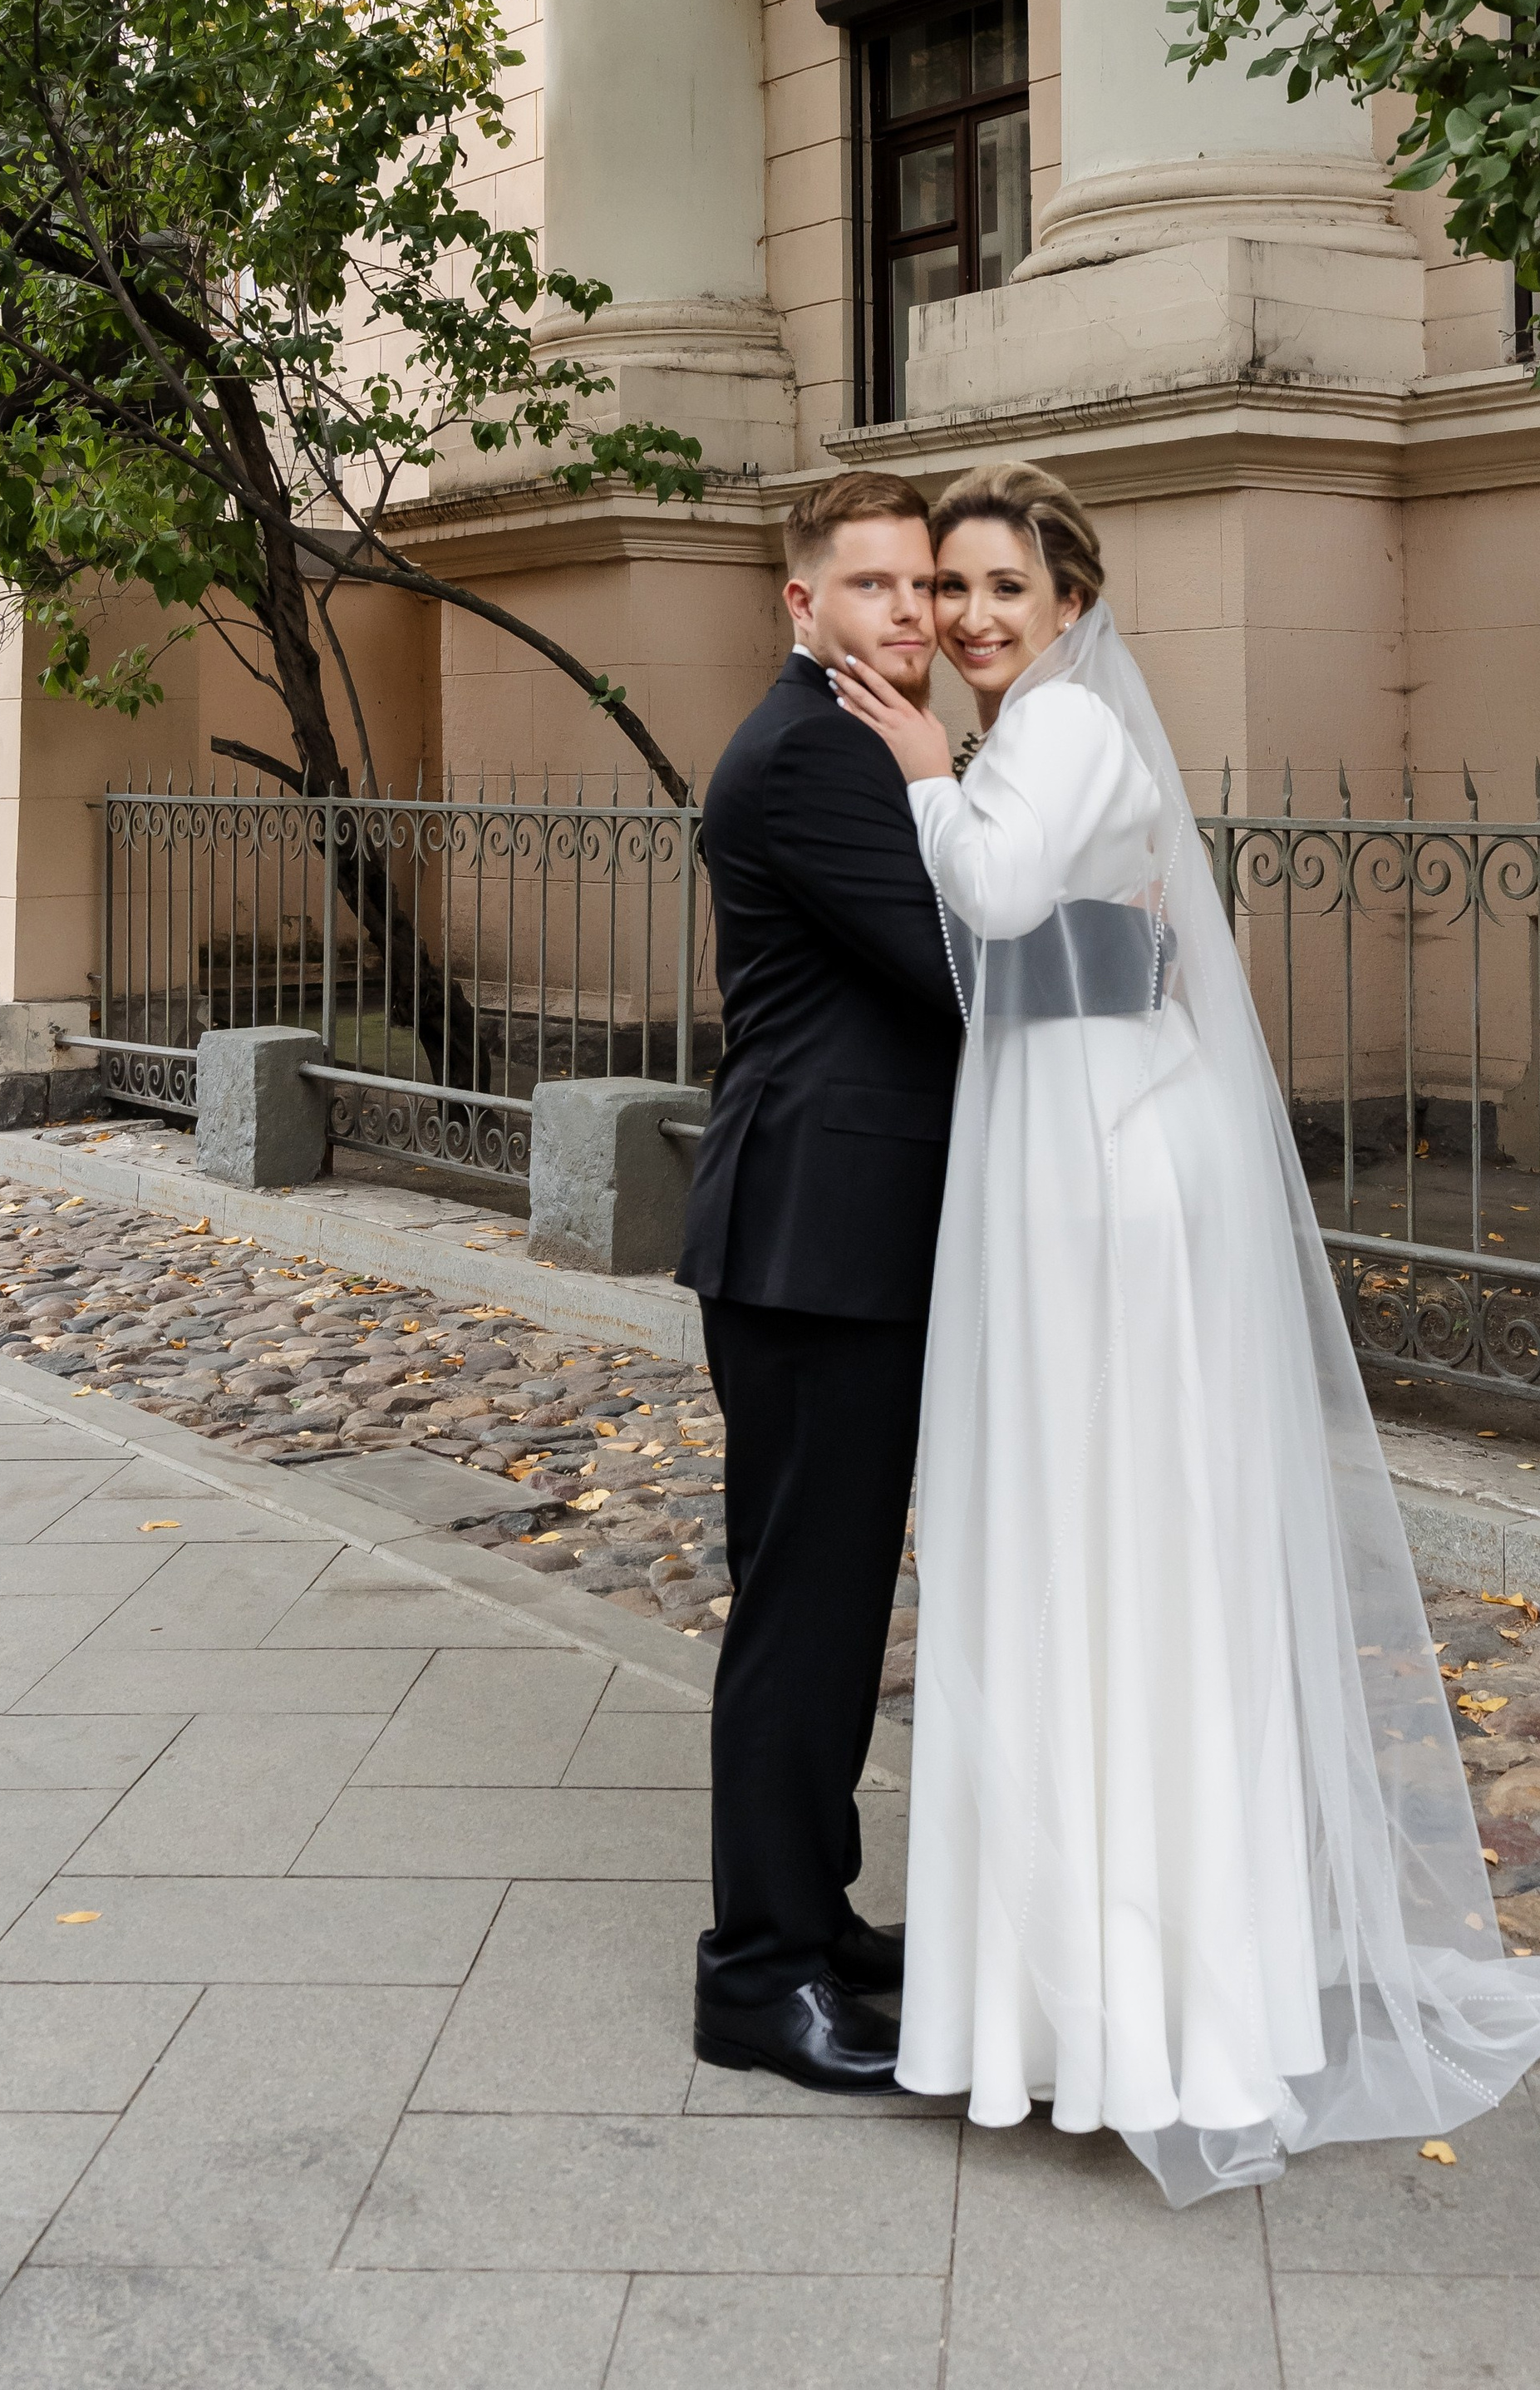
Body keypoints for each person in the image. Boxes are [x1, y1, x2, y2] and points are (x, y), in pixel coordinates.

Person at [833, 460, 1540, 2206]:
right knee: (1075, 1538)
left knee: (1106, 1539)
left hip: (1097, 1162)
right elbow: (1067, 940)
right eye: (945, 589)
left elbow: (1006, 899)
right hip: (1070, 1111)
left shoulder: (1059, 732)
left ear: (1072, 602)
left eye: (1000, 588)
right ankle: (1085, 2001)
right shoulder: (1037, 735)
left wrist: (924, 769)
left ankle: (1140, 2008)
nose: (962, 617)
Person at [677, 468, 967, 2093]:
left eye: (922, 587)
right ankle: (759, 1974)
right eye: (872, 588)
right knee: (803, 1616)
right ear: (801, 605)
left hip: (845, 1243)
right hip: (810, 1252)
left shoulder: (856, 746)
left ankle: (812, 1909)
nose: (909, 615)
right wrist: (1140, 950)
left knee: (833, 1608)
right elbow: (958, 970)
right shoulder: (809, 757)